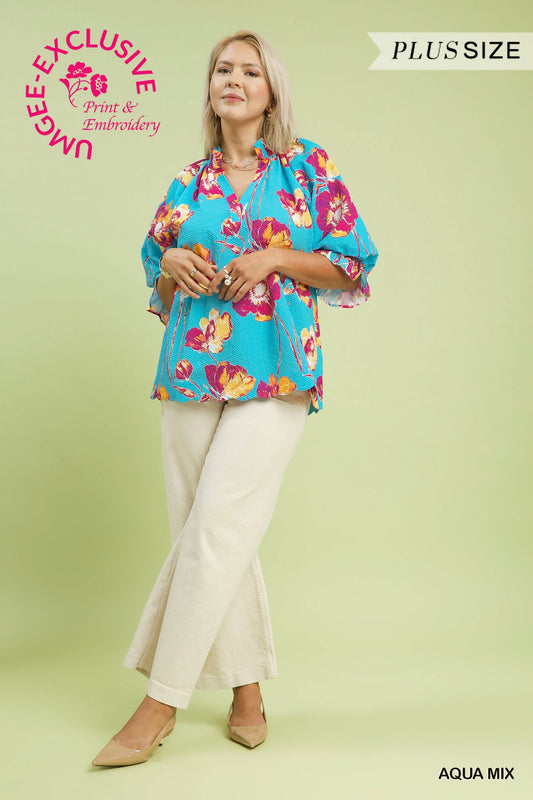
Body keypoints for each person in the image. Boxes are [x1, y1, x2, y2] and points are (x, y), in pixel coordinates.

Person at [91, 29, 378, 767]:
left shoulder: (307, 167)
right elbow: (157, 275)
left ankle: (159, 703)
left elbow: (352, 263)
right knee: (208, 532)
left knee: (216, 528)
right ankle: (246, 689)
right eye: (223, 69)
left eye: (251, 71)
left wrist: (275, 256)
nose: (234, 79)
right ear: (211, 89)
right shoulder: (188, 180)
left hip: (277, 369)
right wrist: (171, 264)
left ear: (270, 91)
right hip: (190, 369)